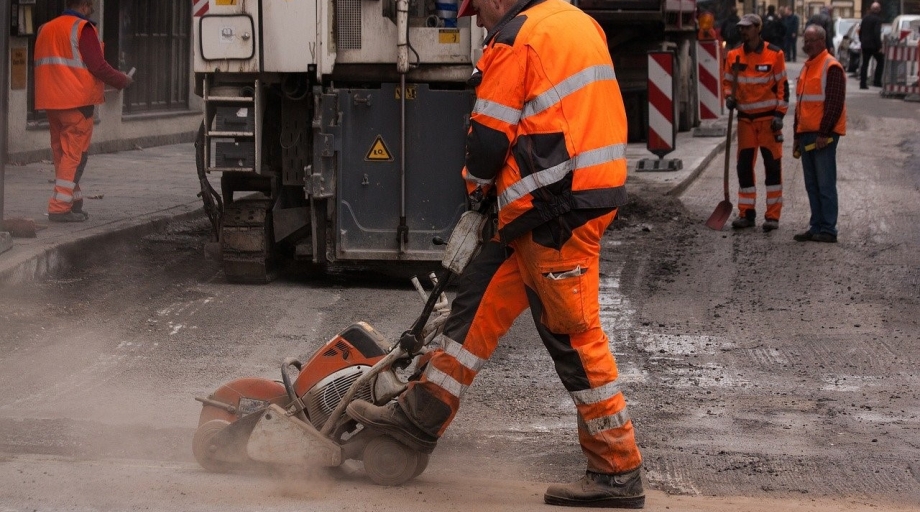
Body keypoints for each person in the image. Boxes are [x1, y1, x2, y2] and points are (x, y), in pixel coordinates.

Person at [346, 0, 645, 508]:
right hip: (554, 203)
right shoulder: (576, 21)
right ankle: (418, 418)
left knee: (572, 336)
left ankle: (617, 471)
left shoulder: (514, 39)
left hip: (556, 209)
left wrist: (476, 194)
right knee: (475, 305)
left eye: (476, 9)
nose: (476, 19)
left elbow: (487, 143)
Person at [33, 0, 133, 223]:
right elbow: (98, 66)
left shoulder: (46, 28)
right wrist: (122, 80)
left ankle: (73, 201)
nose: (93, 10)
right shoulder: (83, 28)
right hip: (77, 102)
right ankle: (59, 207)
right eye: (91, 6)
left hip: (51, 101)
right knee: (75, 156)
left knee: (62, 153)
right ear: (85, 5)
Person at [722, 14, 789, 232]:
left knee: (772, 167)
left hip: (768, 121)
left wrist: (779, 114)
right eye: (741, 28)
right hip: (745, 121)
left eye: (748, 28)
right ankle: (747, 214)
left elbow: (783, 87)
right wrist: (728, 97)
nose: (743, 31)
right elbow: (727, 82)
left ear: (758, 29)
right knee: (744, 167)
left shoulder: (775, 54)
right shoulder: (733, 55)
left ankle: (772, 217)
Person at [793, 24, 846, 243]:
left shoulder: (831, 66)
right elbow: (801, 104)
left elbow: (834, 103)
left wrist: (824, 133)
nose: (806, 45)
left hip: (822, 136)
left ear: (822, 42)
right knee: (812, 184)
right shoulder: (808, 67)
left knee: (825, 184)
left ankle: (828, 229)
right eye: (805, 40)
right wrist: (796, 135)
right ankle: (816, 226)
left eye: (810, 41)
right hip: (807, 134)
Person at [858, 2, 884, 89]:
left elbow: (860, 31)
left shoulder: (865, 18)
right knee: (880, 61)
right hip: (874, 45)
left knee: (865, 64)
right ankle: (877, 81)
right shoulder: (877, 19)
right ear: (878, 10)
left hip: (865, 44)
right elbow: (877, 33)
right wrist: (879, 46)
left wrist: (861, 40)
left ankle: (862, 83)